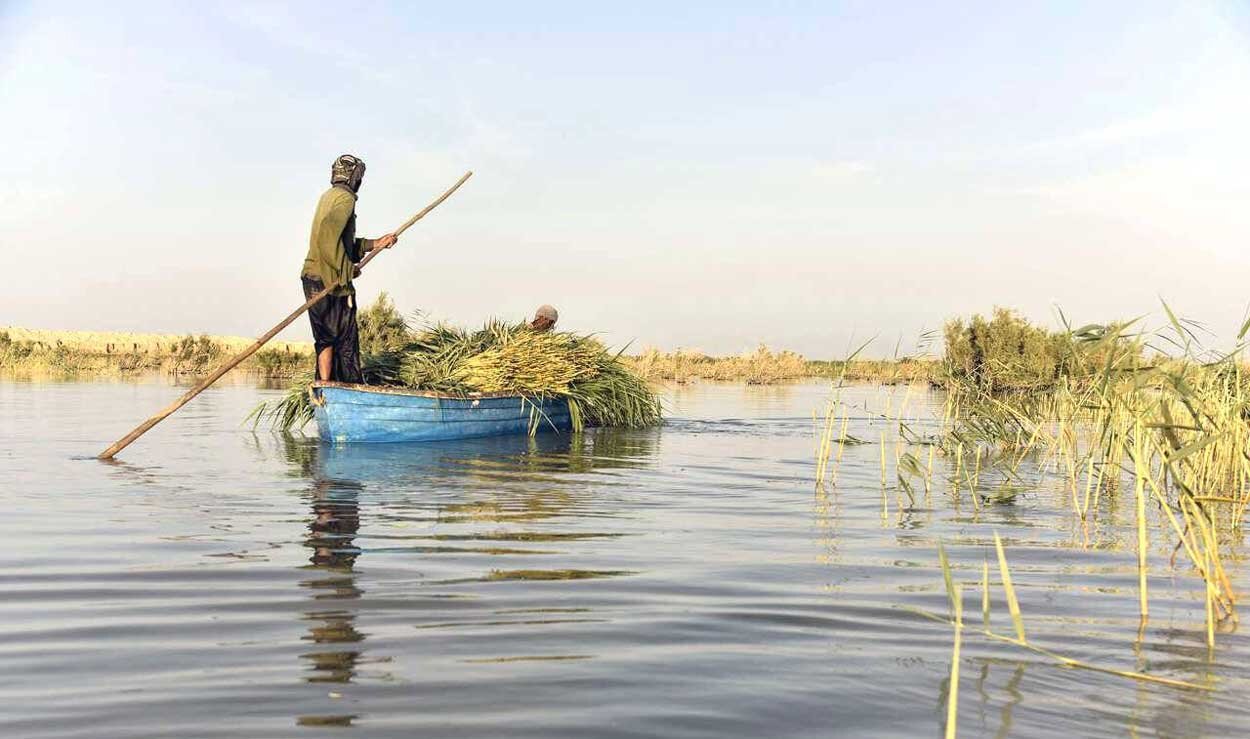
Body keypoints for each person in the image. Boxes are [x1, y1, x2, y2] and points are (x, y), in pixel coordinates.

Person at [300, 154, 398, 382]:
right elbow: (326, 236)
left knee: (325, 337)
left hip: (312, 277)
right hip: (330, 280)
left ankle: (325, 387)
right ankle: (343, 388)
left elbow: (342, 243)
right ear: (354, 177)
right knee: (345, 341)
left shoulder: (329, 196)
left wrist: (376, 244)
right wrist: (346, 269)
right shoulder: (345, 199)